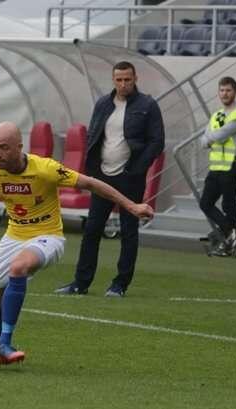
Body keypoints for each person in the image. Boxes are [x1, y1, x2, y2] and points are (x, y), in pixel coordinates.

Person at [0, 121, 154, 364]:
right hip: (13, 237)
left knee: (18, 267)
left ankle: (5, 343)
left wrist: (131, 206)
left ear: (19, 146)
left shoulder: (45, 169)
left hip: (48, 236)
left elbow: (91, 183)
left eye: (4, 147)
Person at [55, 61, 165, 298]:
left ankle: (120, 284)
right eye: (119, 80)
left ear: (135, 79)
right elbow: (94, 136)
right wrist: (92, 170)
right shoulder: (103, 103)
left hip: (130, 178)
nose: (123, 84)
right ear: (113, 80)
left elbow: (157, 142)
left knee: (128, 231)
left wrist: (137, 169)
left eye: (127, 79)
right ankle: (80, 283)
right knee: (92, 229)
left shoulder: (148, 105)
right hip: (102, 177)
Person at [198, 76, 236, 257]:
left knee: (228, 204)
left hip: (232, 164)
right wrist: (210, 138)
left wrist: (210, 137)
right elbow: (202, 141)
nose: (225, 93)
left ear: (235, 92)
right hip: (216, 166)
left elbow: (219, 136)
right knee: (205, 203)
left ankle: (230, 242)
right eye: (222, 90)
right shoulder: (216, 115)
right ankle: (231, 233)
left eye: (228, 90)